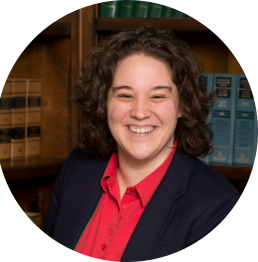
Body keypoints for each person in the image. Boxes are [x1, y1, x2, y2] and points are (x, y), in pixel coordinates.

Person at [43, 26, 240, 261]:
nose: (139, 112)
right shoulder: (77, 167)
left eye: (158, 96)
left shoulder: (218, 206)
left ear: (183, 105)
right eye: (125, 95)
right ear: (104, 102)